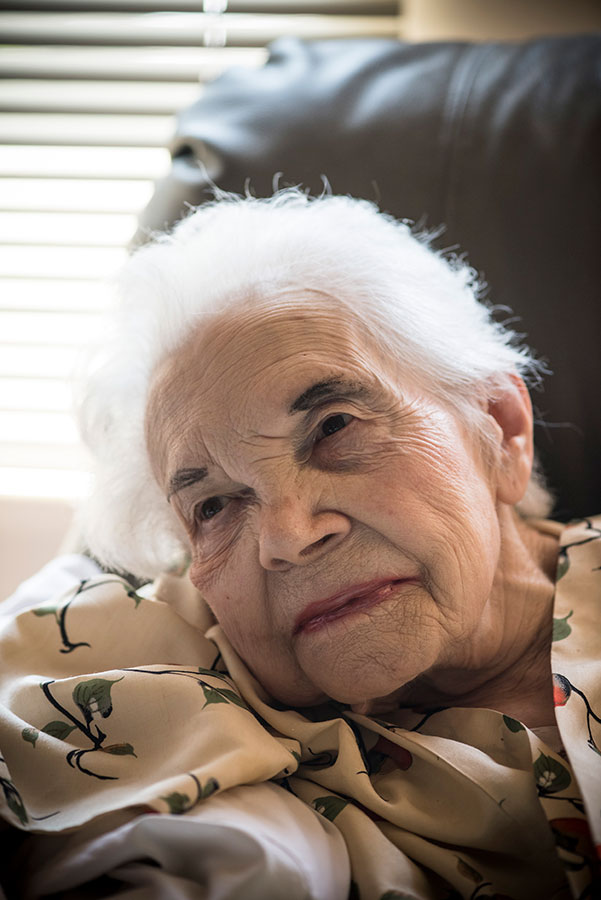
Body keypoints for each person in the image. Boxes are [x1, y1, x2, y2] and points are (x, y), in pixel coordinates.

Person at [0, 190, 599, 900]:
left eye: (333, 427)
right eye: (214, 505)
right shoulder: (193, 686)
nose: (285, 537)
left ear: (498, 429)